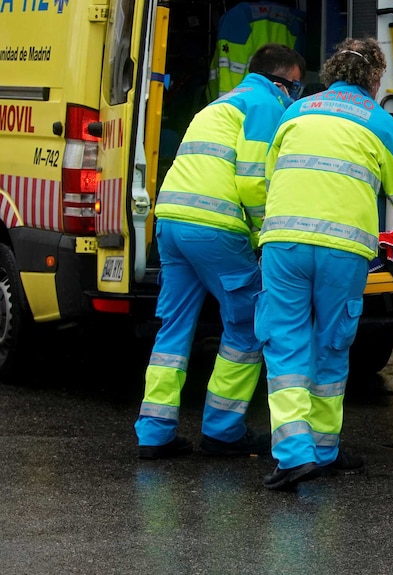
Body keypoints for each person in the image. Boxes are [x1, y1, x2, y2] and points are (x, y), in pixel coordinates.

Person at [257, 37, 393, 491]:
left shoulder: (295, 112)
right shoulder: (379, 121)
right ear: (375, 80)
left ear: (332, 72)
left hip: (284, 243)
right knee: (333, 345)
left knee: (285, 345)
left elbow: (270, 176)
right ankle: (324, 449)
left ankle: (294, 455)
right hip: (342, 249)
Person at [135, 44, 307, 460]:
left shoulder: (220, 104)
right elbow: (251, 181)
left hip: (173, 220)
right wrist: (265, 233)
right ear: (280, 81)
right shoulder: (264, 104)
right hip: (214, 226)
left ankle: (154, 434)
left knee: (173, 328)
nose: (296, 98)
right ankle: (222, 430)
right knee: (248, 324)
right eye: (297, 88)